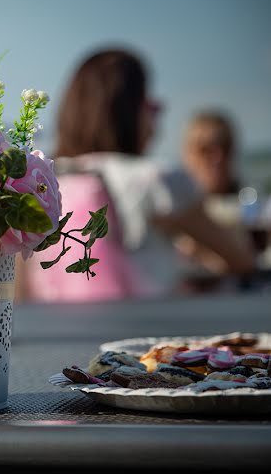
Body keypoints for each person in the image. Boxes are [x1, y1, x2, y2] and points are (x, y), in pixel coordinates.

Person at [20, 48, 255, 301]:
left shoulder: (38, 181)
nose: (156, 118)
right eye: (151, 106)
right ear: (132, 111)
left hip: (55, 334)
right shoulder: (157, 180)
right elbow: (242, 259)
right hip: (139, 333)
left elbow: (21, 290)